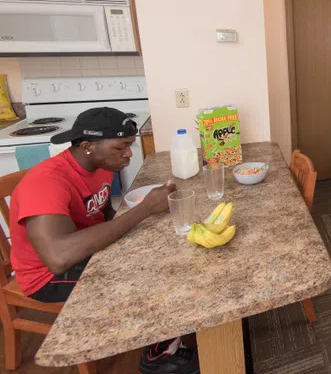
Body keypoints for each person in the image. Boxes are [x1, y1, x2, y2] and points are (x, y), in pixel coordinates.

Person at [9, 108, 200, 374]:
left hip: (85, 250)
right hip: (46, 277)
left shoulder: (100, 165)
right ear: (87, 146)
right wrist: (144, 209)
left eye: (130, 145)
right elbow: (58, 259)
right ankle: (158, 356)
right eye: (121, 147)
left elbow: (105, 215)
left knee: (168, 253)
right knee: (154, 277)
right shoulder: (46, 183)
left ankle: (169, 332)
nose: (129, 154)